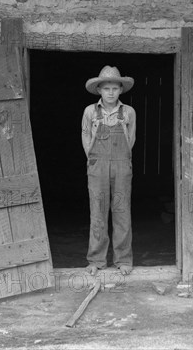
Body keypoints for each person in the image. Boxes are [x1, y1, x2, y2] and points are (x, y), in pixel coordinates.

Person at [81, 66, 136, 276]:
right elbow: (86, 139)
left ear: (121, 89)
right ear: (99, 90)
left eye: (114, 88)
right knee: (98, 212)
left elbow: (130, 140)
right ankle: (96, 260)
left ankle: (123, 259)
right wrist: (95, 161)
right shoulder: (90, 112)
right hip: (97, 165)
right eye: (106, 88)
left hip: (122, 165)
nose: (111, 92)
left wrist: (120, 161)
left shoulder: (129, 112)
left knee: (122, 211)